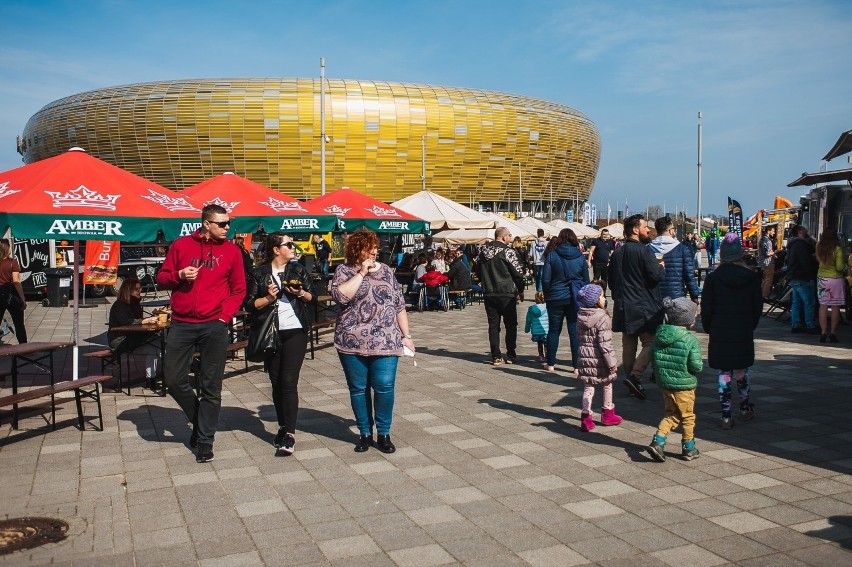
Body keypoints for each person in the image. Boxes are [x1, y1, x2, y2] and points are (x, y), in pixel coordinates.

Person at [157, 204, 247, 463]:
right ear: (206, 224)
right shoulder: (181, 246)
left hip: (214, 325)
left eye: (229, 223)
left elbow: (239, 289)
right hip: (182, 323)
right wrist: (179, 275)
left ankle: (205, 441)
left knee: (211, 386)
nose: (227, 227)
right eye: (222, 223)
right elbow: (161, 278)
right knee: (173, 380)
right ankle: (200, 422)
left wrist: (224, 317)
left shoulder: (232, 251)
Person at [332, 229, 414, 453]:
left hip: (386, 340)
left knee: (384, 386)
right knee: (358, 389)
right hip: (351, 340)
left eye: (375, 247)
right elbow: (340, 296)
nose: (374, 251)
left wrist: (406, 336)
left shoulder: (387, 271)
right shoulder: (344, 270)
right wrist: (361, 273)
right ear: (357, 250)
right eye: (369, 248)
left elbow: (398, 305)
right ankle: (365, 432)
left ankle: (384, 433)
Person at [244, 232, 315, 455]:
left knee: (288, 380)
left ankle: (290, 434)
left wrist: (300, 292)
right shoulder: (258, 273)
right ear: (276, 249)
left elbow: (311, 297)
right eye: (289, 244)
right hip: (270, 332)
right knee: (275, 382)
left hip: (295, 330)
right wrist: (268, 298)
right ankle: (283, 426)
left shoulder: (298, 269)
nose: (294, 248)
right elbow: (248, 304)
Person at [700, 233, 762, 430]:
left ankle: (726, 414)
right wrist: (750, 324)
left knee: (724, 371)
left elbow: (707, 308)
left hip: (720, 329)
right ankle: (744, 407)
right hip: (742, 328)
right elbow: (757, 307)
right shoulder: (751, 278)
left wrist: (709, 327)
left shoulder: (713, 278)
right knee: (742, 369)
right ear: (739, 254)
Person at [609, 214, 665, 400]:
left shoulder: (617, 253)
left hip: (624, 305)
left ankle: (633, 380)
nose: (648, 230)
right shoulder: (644, 251)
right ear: (635, 230)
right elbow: (655, 276)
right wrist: (661, 267)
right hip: (643, 306)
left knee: (628, 345)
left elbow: (612, 281)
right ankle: (635, 376)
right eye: (645, 227)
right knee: (651, 342)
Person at [646, 297, 703, 462]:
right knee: (688, 416)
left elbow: (651, 355)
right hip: (684, 385)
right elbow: (696, 366)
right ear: (688, 321)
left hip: (665, 383)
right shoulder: (690, 340)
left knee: (671, 413)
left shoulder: (659, 335)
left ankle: (658, 440)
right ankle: (688, 447)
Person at [474, 227, 526, 365]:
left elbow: (476, 269)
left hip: (489, 292)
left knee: (493, 325)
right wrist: (521, 289)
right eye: (510, 235)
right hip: (506, 293)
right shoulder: (508, 251)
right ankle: (510, 354)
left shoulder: (483, 251)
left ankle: (496, 356)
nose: (511, 237)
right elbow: (517, 272)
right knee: (510, 324)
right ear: (503, 237)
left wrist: (483, 280)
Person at [541, 228, 589, 373]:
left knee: (554, 331)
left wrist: (548, 293)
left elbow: (546, 279)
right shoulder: (580, 257)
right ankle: (576, 366)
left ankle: (550, 364)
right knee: (574, 332)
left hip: (555, 297)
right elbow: (586, 280)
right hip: (575, 298)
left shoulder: (552, 255)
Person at [575, 284, 622, 432]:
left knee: (588, 386)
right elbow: (605, 344)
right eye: (602, 296)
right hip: (600, 358)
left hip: (585, 356)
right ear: (596, 300)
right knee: (607, 384)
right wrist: (612, 364)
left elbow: (579, 337)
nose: (604, 298)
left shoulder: (580, 315)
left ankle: (586, 417)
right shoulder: (603, 317)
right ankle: (608, 414)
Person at [108, 278, 161, 389]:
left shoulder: (135, 304)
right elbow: (126, 322)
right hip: (120, 340)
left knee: (156, 344)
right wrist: (143, 321)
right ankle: (167, 373)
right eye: (136, 289)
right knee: (156, 343)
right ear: (128, 290)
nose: (139, 291)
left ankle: (151, 379)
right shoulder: (120, 305)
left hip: (133, 337)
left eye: (140, 288)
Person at [649, 216, 700, 302]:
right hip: (677, 297)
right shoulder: (682, 249)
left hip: (654, 297)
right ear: (670, 231)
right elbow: (689, 275)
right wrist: (694, 295)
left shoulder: (647, 249)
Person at [785, 225, 819, 334]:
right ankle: (810, 325)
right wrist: (811, 274)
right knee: (808, 302)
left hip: (794, 276)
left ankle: (796, 324)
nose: (806, 231)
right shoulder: (801, 245)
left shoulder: (792, 244)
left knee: (796, 302)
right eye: (805, 229)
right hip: (802, 277)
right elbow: (805, 261)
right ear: (800, 231)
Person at [815, 228, 845, 343]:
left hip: (822, 279)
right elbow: (839, 267)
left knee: (823, 306)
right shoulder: (837, 249)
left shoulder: (819, 246)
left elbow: (819, 261)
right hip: (835, 279)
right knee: (835, 307)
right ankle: (833, 333)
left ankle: (823, 333)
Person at [0, 239, 27, 344]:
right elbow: (16, 281)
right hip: (11, 294)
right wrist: (22, 298)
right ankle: (24, 347)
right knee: (19, 323)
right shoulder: (12, 262)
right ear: (7, 249)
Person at [587, 228, 615, 296]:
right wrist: (589, 261)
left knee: (604, 279)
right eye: (603, 234)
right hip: (597, 263)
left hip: (606, 263)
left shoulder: (610, 242)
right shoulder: (596, 241)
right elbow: (591, 251)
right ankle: (593, 293)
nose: (605, 236)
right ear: (601, 234)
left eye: (606, 234)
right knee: (596, 278)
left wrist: (611, 261)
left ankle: (603, 293)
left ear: (608, 235)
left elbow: (612, 252)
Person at [524, 291, 549, 363]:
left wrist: (527, 329)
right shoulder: (547, 307)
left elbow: (528, 320)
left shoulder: (532, 309)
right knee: (546, 343)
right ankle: (548, 355)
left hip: (536, 331)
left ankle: (541, 356)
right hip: (546, 330)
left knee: (539, 343)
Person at [757, 225, 777, 299]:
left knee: (765, 279)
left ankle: (761, 293)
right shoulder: (767, 241)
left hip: (763, 262)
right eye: (773, 231)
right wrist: (775, 252)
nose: (774, 233)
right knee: (768, 279)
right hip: (768, 262)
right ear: (768, 231)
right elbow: (768, 253)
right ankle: (764, 295)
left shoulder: (762, 239)